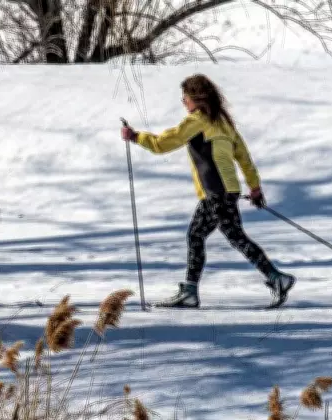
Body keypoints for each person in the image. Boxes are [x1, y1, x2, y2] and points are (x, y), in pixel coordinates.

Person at [121, 74, 295, 308]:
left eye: (185, 98)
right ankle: (192, 290)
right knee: (201, 235)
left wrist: (134, 136)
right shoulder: (224, 123)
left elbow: (164, 143)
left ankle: (275, 278)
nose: (183, 103)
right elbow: (244, 157)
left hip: (216, 191)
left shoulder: (198, 120)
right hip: (227, 190)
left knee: (228, 237)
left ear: (196, 98)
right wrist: (254, 188)